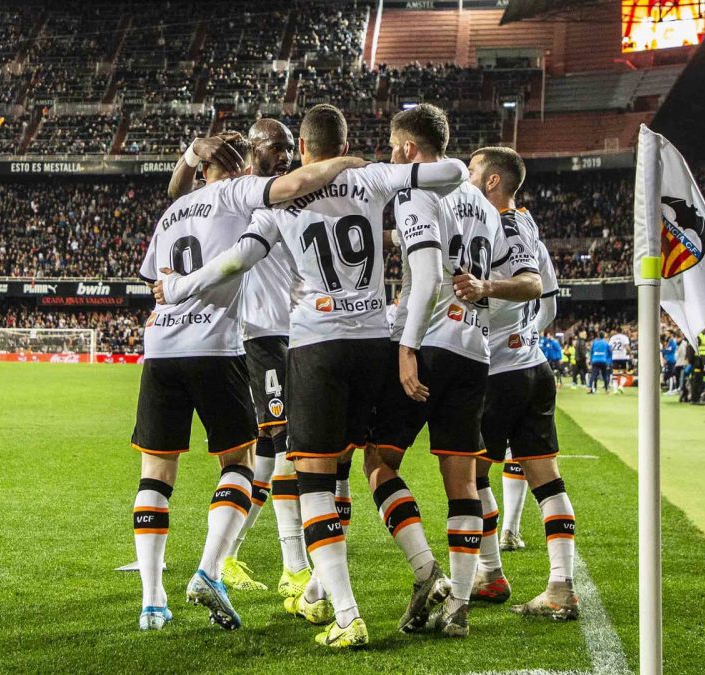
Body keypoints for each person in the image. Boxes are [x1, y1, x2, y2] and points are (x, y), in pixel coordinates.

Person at [154, 104, 471, 648]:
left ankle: (346, 613)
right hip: (374, 343)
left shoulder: (281, 197)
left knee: (316, 482)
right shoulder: (370, 178)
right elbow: (455, 172)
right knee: (363, 467)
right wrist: (390, 170)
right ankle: (406, 577)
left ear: (303, 149)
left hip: (317, 346)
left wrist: (178, 289)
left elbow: (236, 259)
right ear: (344, 142)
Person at [133, 132, 365, 632]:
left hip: (161, 348)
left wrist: (192, 153)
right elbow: (295, 184)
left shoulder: (174, 213)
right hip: (227, 345)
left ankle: (153, 600)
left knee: (156, 475)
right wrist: (348, 161)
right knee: (248, 459)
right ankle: (224, 567)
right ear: (240, 163)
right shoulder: (243, 193)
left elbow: (158, 266)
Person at [365, 103, 499, 638]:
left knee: (378, 460)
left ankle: (427, 572)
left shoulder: (417, 189)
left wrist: (406, 345)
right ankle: (459, 606)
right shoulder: (483, 204)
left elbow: (426, 278)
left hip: (430, 343)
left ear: (408, 150)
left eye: (395, 147)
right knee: (462, 480)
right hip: (475, 348)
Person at [169, 121, 309, 598]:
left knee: (267, 455)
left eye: (291, 146)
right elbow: (177, 195)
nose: (288, 154)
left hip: (286, 333)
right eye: (279, 146)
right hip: (256, 335)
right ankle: (294, 565)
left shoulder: (279, 194)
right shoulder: (235, 192)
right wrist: (192, 155)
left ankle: (225, 555)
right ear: (254, 150)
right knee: (285, 443)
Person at [457, 146, 579, 621]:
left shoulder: (499, 227)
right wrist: (526, 335)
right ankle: (560, 584)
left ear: (492, 182)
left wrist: (486, 303)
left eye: (471, 171)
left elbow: (525, 288)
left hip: (497, 374)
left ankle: (490, 573)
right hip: (532, 366)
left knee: (472, 476)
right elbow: (548, 297)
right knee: (546, 478)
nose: (466, 177)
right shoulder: (527, 226)